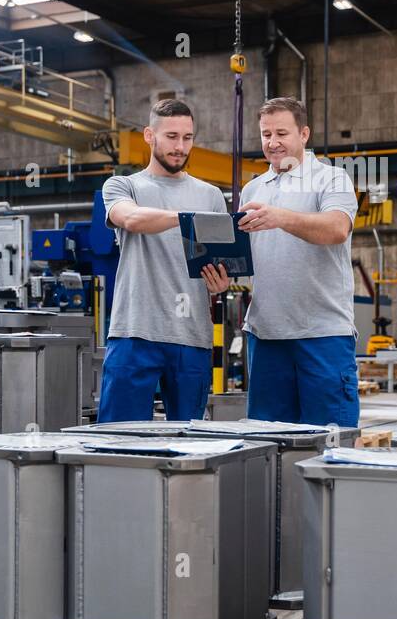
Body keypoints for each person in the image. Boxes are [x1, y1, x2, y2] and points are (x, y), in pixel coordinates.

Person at [99, 98, 230, 421]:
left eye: (187, 138)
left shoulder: (211, 196)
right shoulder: (123, 185)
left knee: (190, 441)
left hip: (191, 337)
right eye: (171, 137)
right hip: (135, 334)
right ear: (149, 135)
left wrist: (222, 281)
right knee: (117, 439)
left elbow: (221, 261)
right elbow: (131, 220)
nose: (180, 146)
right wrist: (187, 218)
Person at [238, 96, 360, 427]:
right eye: (266, 134)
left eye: (282, 133)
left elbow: (336, 228)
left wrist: (280, 217)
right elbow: (245, 257)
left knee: (330, 441)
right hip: (266, 337)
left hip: (322, 335)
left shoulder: (332, 179)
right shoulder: (252, 190)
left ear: (304, 134)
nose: (272, 143)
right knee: (268, 446)